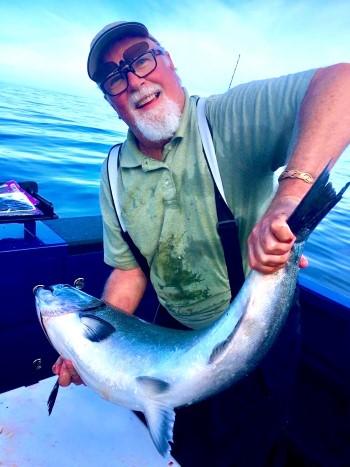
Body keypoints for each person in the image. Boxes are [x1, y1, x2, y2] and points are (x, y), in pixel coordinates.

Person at [53, 21, 350, 466]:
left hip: (253, 324)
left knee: (249, 447)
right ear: (112, 104)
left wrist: (289, 195)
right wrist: (91, 350)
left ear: (168, 60)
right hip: (169, 333)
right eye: (115, 78)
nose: (134, 79)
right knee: (185, 451)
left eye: (141, 57)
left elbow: (341, 83)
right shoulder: (112, 172)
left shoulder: (226, 119)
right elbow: (129, 271)